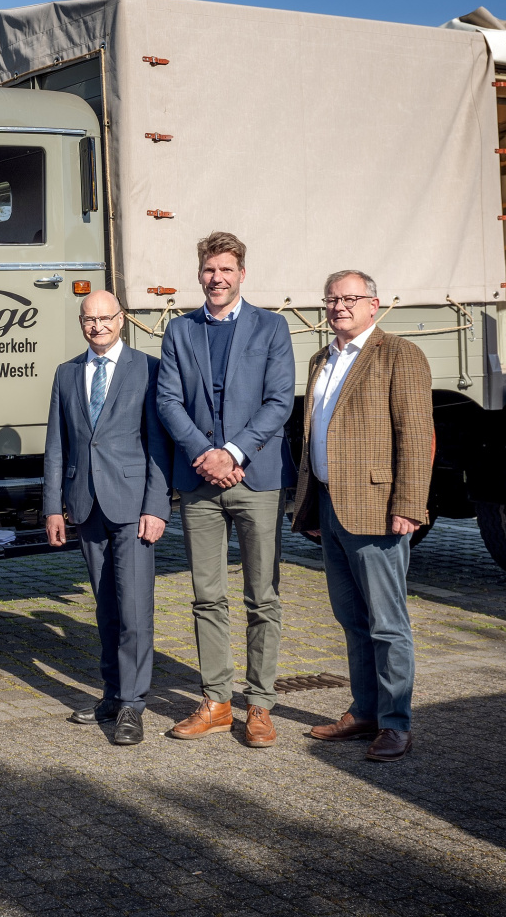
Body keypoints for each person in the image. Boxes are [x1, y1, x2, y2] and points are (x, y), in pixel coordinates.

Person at [155, 232, 296, 747]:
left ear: (242, 274)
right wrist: (206, 456)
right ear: (199, 273)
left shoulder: (272, 327)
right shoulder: (179, 331)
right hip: (199, 480)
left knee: (263, 596)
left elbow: (280, 401)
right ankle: (216, 700)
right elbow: (169, 401)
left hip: (255, 477)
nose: (217, 278)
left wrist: (233, 453)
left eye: (226, 269)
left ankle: (259, 704)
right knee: (206, 596)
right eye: (209, 269)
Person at [291, 269, 433, 763]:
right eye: (331, 299)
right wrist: (309, 504)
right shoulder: (320, 358)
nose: (339, 307)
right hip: (331, 507)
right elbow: (314, 439)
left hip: (377, 511)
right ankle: (366, 710)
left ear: (375, 304)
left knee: (387, 623)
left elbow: (416, 437)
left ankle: (396, 723)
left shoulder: (399, 355)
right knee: (351, 618)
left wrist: (410, 507)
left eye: (351, 298)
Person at [42, 289, 171, 746]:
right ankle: (113, 694)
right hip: (86, 503)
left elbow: (159, 444)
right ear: (81, 323)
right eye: (88, 319)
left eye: (105, 318)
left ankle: (135, 706)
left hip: (134, 506)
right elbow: (58, 445)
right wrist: (53, 506)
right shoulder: (66, 373)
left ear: (122, 319)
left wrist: (157, 506)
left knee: (135, 608)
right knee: (106, 605)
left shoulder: (149, 369)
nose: (97, 326)